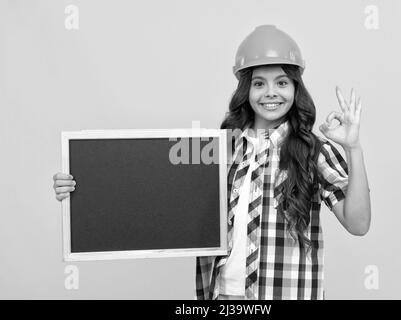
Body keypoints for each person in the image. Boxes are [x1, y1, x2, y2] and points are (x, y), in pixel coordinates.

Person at [53, 25, 371, 300]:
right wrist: (84, 187)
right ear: (246, 89)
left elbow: (358, 224)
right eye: (259, 83)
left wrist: (353, 148)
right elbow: (147, 192)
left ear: (295, 89)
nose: (270, 93)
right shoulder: (218, 150)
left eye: (282, 82)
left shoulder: (313, 151)